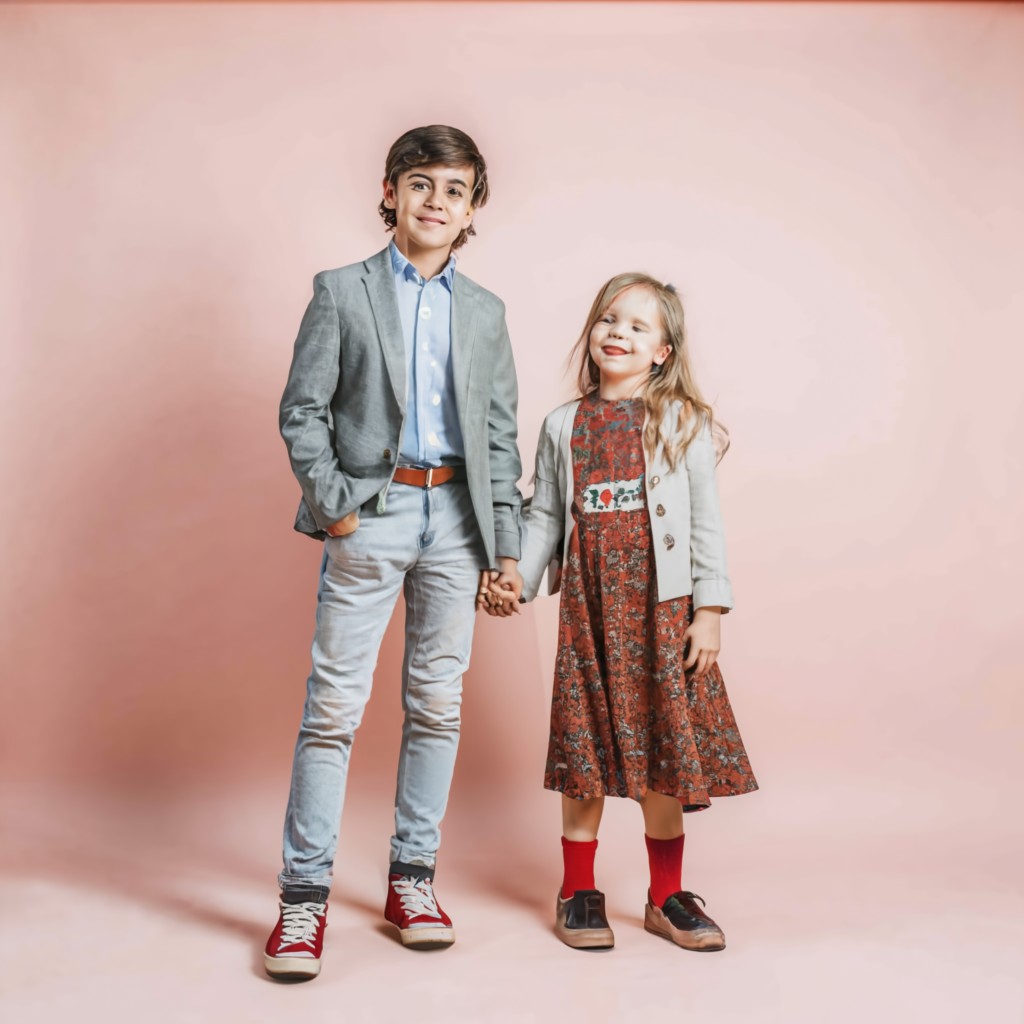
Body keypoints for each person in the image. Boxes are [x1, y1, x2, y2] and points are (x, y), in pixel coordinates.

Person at [265, 125, 524, 980]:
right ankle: (303, 897)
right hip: (371, 513)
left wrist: (504, 549)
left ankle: (412, 880)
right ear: (390, 193)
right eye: (420, 184)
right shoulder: (341, 291)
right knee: (333, 709)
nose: (435, 202)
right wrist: (336, 507)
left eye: (454, 190)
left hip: (457, 520)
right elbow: (302, 409)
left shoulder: (485, 311)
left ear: (472, 208)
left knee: (437, 706)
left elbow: (498, 436)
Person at [484, 273, 757, 951]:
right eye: (609, 319)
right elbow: (547, 516)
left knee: (663, 746)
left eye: (638, 326)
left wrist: (710, 609)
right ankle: (578, 889)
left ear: (662, 351)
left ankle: (667, 896)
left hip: (661, 613)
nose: (618, 333)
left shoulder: (682, 421)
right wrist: (516, 578)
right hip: (590, 610)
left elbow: (705, 523)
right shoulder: (563, 424)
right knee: (585, 745)